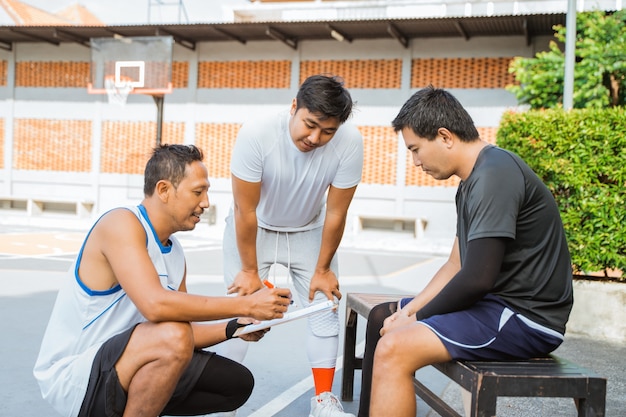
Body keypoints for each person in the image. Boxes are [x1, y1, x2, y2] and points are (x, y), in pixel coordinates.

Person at [358, 86, 574, 417]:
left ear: (444, 136)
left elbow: (476, 279)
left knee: (394, 348)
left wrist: (414, 320)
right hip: (494, 307)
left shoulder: (494, 175)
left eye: (416, 149)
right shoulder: (470, 183)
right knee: (382, 318)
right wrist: (408, 311)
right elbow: (455, 264)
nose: (415, 162)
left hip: (524, 317)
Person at [33, 144, 292, 417]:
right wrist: (247, 305)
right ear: (164, 190)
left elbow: (184, 329)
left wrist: (233, 328)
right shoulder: (121, 223)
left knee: (235, 384)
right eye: (197, 191)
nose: (205, 202)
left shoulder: (175, 252)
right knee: (174, 335)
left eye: (206, 192)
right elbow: (155, 306)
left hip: (129, 362)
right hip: (77, 376)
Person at [218, 74, 363, 417]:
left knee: (327, 308)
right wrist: (250, 272)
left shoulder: (350, 142)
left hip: (310, 228)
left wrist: (324, 269)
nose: (315, 138)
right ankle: (223, 402)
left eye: (327, 131)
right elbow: (245, 209)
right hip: (254, 228)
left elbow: (337, 211)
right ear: (294, 107)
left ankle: (324, 401)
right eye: (310, 125)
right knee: (241, 311)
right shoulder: (257, 133)